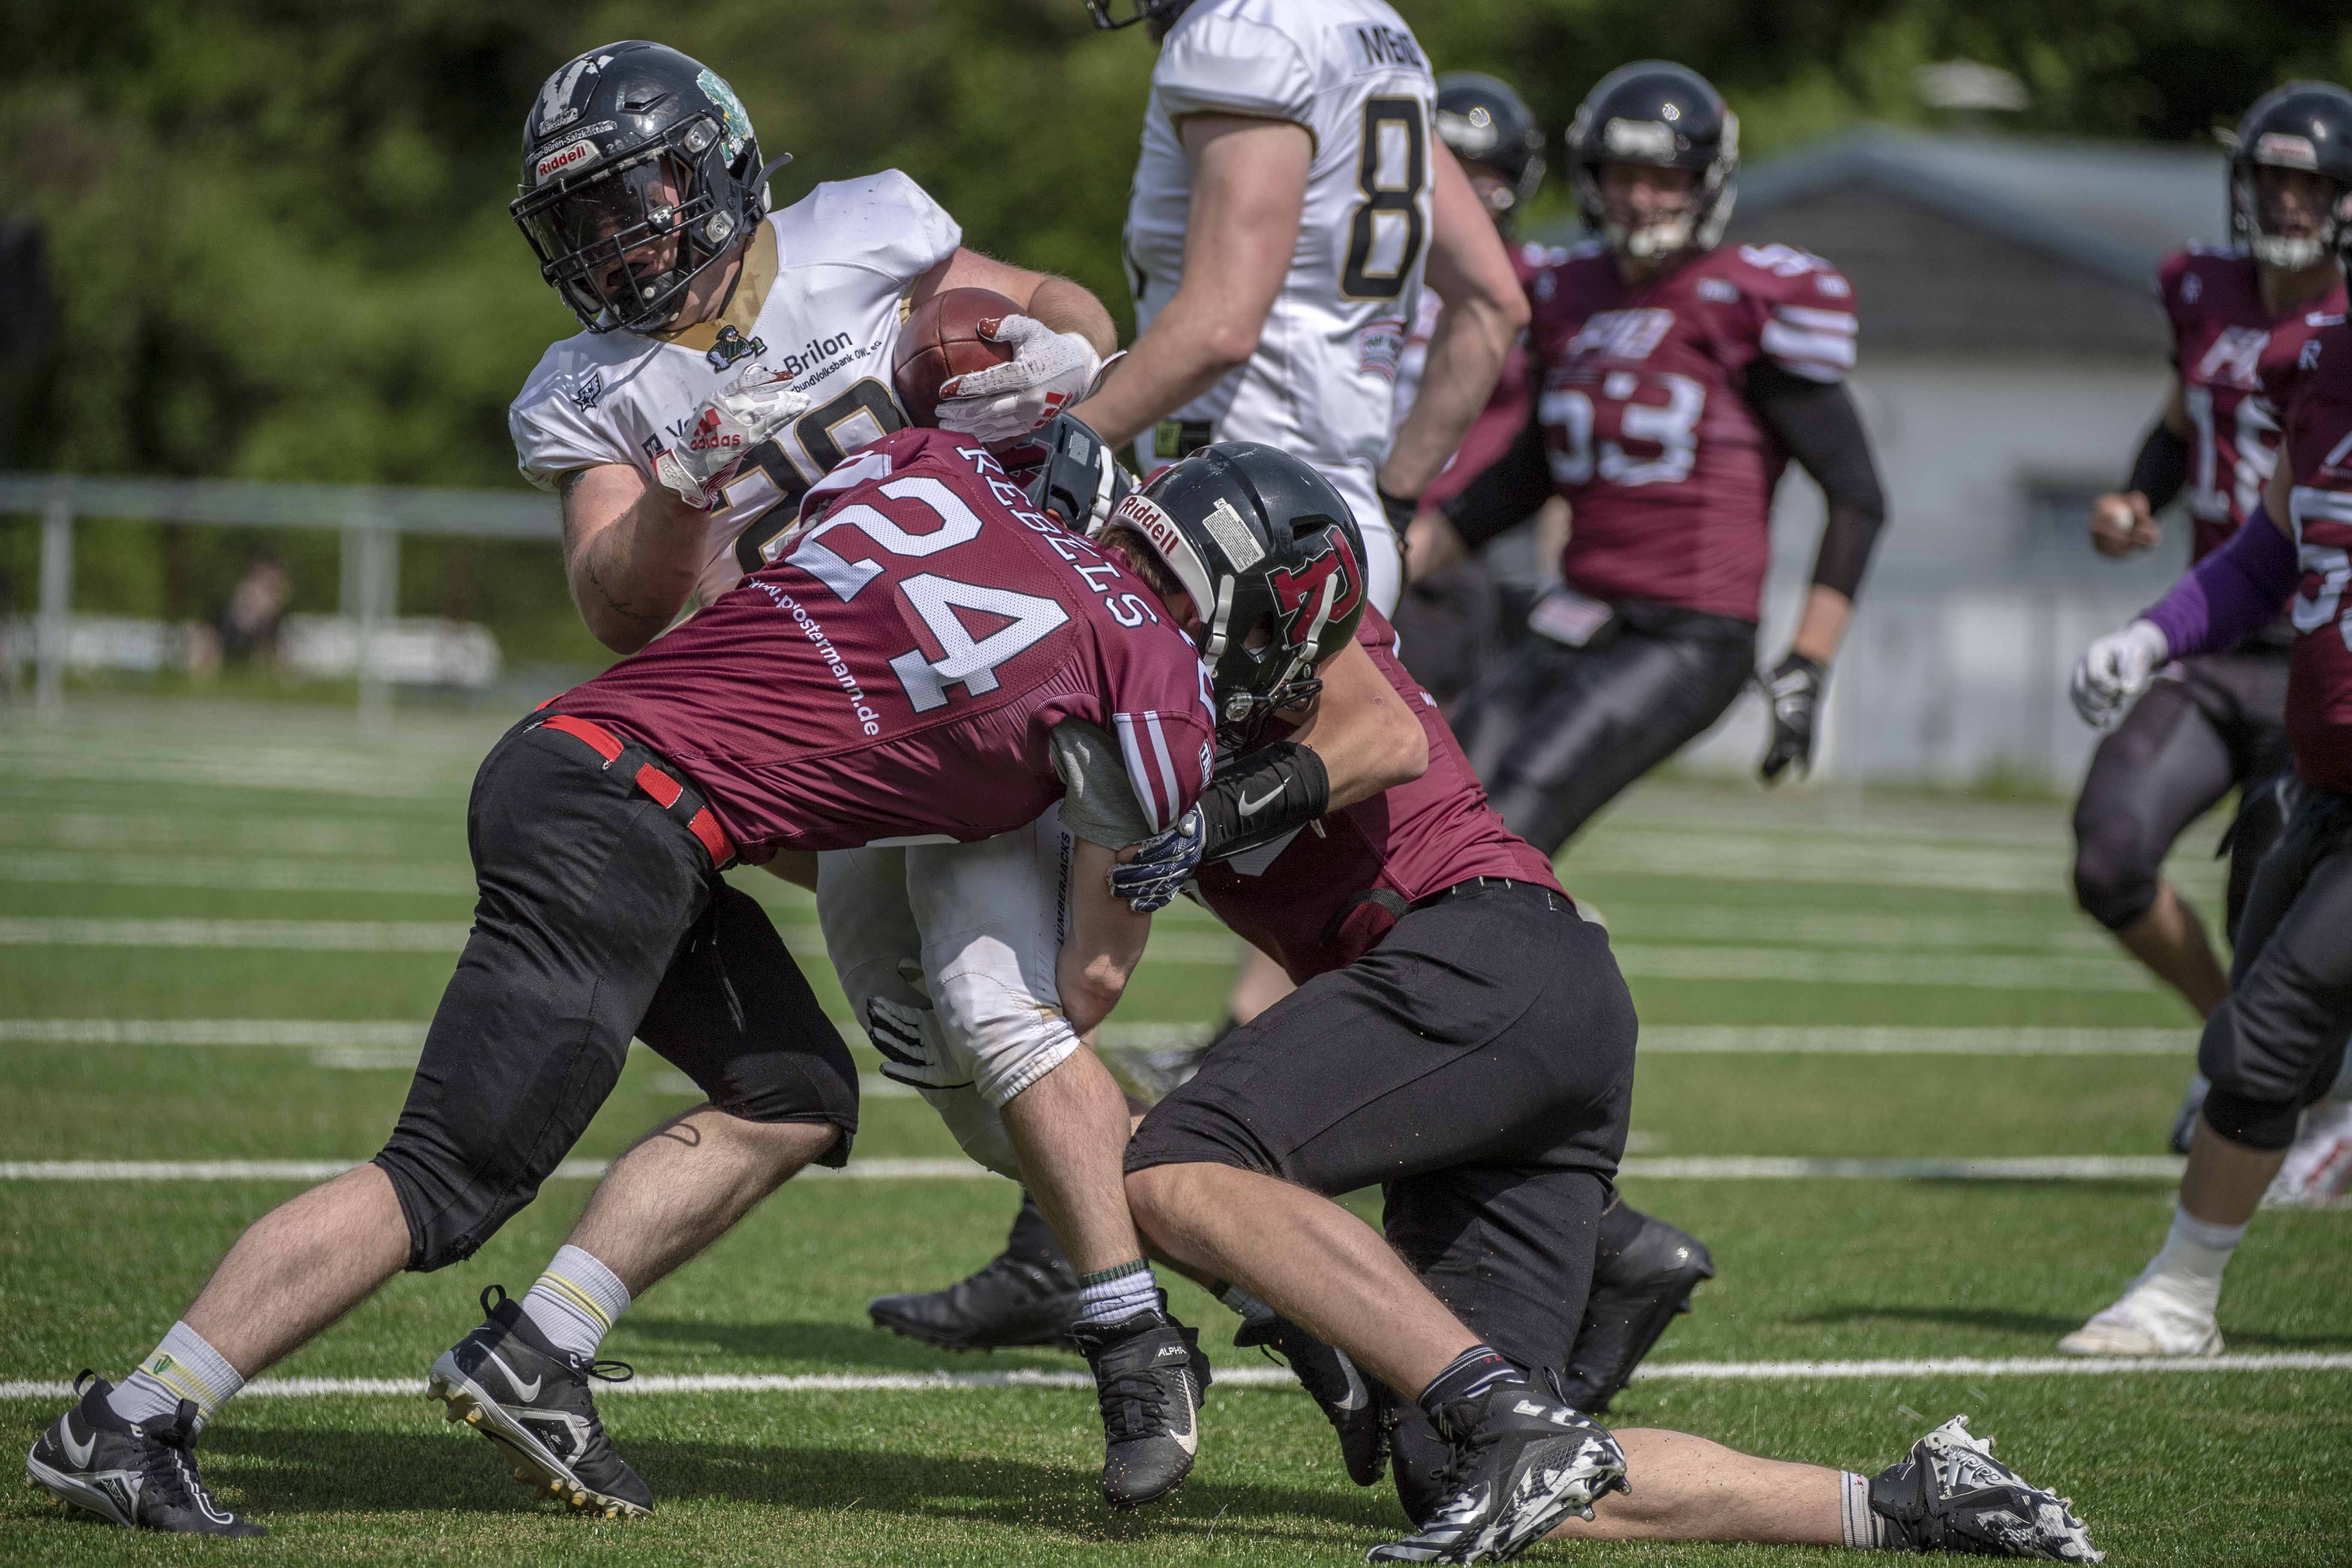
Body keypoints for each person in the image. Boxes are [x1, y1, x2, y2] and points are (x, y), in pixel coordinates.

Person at [21, 428, 1217, 1535]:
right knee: (442, 1178)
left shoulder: (933, 471)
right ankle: (131, 1419)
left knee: (794, 1090)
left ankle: (543, 1347)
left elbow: (781, 687)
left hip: (600, 781)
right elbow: (1093, 976)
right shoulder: (1135, 648)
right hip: (621, 817)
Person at [1082, 449, 2099, 1564]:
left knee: (1175, 1163)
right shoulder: (1159, 694)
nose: (1140, 609)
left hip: (1486, 956)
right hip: (1509, 1028)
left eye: (1167, 591)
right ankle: (1914, 1502)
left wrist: (1199, 818)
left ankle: (1432, 1317)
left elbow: (1387, 738)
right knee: (1460, 1465)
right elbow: (1090, 979)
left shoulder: (1330, 644)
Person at [870, 0, 1536, 1357]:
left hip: (1223, 513)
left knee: (1077, 888)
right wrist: (1393, 496)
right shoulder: (1378, 34)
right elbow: (1494, 304)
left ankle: (1098, 1251)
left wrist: (1077, 443)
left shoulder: (1239, 33)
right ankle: (1085, 1236)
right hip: (1327, 508)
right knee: (1334, 911)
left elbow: (1224, 323)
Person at [507, 40, 1118, 652]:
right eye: (575, 220)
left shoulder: (856, 230)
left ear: (710, 164)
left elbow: (1053, 300)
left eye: (623, 198)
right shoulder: (578, 387)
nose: (603, 242)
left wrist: (1071, 350)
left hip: (992, 593)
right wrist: (681, 484)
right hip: (813, 678)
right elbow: (617, 615)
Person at [1425, 61, 1889, 854]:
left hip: (1685, 632)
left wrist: (1808, 662)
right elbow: (1529, 474)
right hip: (1576, 611)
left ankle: (1503, 970)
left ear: (1708, 182)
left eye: (1663, 177)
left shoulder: (1745, 301)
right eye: (1622, 174)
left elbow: (1857, 495)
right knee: (1436, 802)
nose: (1640, 197)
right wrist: (1396, 555)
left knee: (1509, 818)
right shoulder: (1568, 294)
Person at [2069, 82, 2352, 1176]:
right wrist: (2139, 495)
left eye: (2308, 182)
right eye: (2269, 178)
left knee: (2272, 909)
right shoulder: (2200, 285)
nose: (2282, 200)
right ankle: (2232, 1048)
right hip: (2212, 627)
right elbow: (2181, 417)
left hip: (2321, 651)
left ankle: (2278, 1088)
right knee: (2109, 854)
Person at [2062, 288, 2352, 1355]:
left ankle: (2176, 1299)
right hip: (2322, 774)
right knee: (2275, 1033)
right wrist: (2150, 638)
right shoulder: (2319, 366)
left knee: (2261, 1029)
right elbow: (2265, 555)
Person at [1389, 71, 1567, 712]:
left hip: (1472, 538)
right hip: (1365, 522)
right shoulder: (1368, 270)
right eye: (1449, 163)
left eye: (1483, 169)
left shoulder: (1545, 285)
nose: (1462, 185)